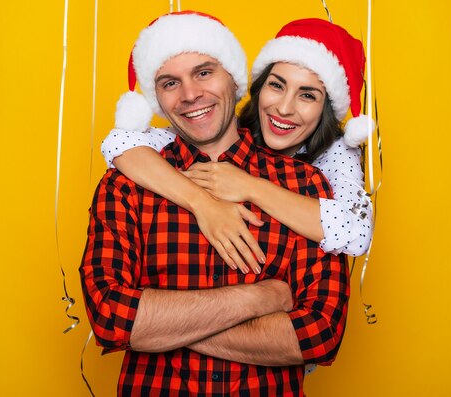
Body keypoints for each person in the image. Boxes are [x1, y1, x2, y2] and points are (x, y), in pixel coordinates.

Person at [80, 11, 349, 396]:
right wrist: (261, 298)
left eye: (204, 72)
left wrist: (158, 327)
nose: (190, 95)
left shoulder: (304, 186)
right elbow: (110, 317)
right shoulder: (128, 184)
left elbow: (318, 335)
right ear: (157, 97)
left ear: (236, 81)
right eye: (170, 82)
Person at [101, 18, 374, 276]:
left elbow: (356, 233)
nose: (283, 108)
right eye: (277, 86)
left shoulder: (335, 153)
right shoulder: (219, 128)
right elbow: (121, 144)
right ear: (258, 87)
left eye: (307, 95)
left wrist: (248, 186)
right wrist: (203, 204)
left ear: (326, 109)